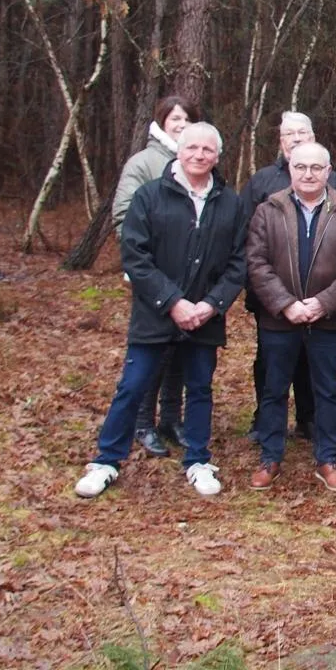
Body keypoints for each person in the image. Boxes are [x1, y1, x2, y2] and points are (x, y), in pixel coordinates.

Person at [75, 123, 247, 499]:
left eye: (207, 149)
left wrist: (211, 305)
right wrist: (172, 302)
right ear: (178, 151)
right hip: (154, 313)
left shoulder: (231, 204)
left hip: (205, 317)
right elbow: (135, 256)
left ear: (218, 156)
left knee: (199, 389)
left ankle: (198, 460)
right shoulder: (149, 196)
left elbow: (239, 263)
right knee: (133, 386)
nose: (199, 155)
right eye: (192, 148)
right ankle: (106, 460)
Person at [246, 142, 336, 494]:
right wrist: (286, 304)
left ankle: (328, 459)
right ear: (290, 169)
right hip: (279, 320)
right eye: (301, 167)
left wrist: (324, 302)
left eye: (316, 167)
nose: (308, 174)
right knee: (273, 390)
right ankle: (270, 458)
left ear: (328, 171)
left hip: (329, 320)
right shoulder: (268, 209)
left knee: (327, 391)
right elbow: (256, 262)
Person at [242, 112, 336, 443]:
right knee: (269, 362)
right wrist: (260, 291)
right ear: (281, 140)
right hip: (272, 299)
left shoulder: (335, 183)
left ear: (313, 137)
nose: (296, 138)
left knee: (313, 362)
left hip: (320, 299)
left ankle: (308, 417)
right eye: (289, 133)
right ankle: (265, 420)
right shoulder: (261, 182)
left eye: (303, 132)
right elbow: (246, 240)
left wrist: (327, 298)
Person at [111, 95, 201, 458]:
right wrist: (146, 264)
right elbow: (123, 214)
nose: (180, 124)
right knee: (154, 351)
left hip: (190, 278)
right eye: (174, 118)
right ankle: (143, 422)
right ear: (162, 122)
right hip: (154, 277)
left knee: (181, 349)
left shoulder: (198, 160)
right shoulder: (144, 162)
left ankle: (170, 418)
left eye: (186, 119)